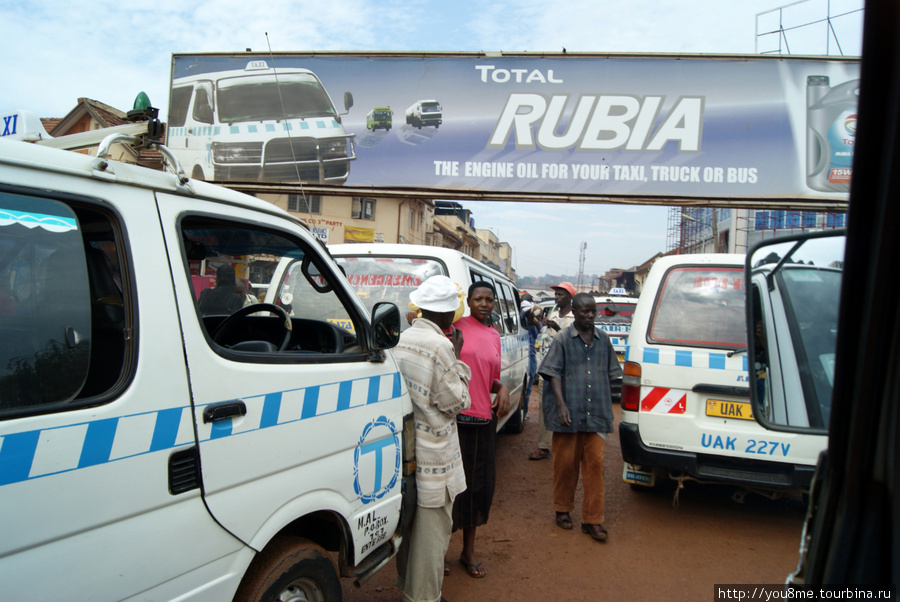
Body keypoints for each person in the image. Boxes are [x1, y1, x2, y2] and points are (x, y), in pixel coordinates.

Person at [393, 275, 472, 602]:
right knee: (431, 541)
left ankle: (407, 590)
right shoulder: (441, 346)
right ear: (445, 315)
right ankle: (424, 598)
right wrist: (459, 358)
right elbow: (458, 402)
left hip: (410, 455)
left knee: (410, 536)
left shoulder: (403, 338)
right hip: (436, 461)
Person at [538, 293, 622, 543]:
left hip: (596, 414)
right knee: (565, 464)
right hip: (569, 415)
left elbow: (611, 374)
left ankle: (593, 520)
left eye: (593, 311)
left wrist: (603, 402)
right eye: (585, 311)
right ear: (574, 311)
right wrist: (561, 405)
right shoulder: (563, 339)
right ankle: (562, 509)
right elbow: (552, 373)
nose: (590, 315)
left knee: (595, 466)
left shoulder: (603, 339)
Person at [451, 281, 510, 579]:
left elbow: (490, 379)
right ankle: (436, 552)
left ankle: (468, 551)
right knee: (449, 491)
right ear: (469, 301)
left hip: (484, 423)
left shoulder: (494, 335)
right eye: (478, 299)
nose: (484, 304)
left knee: (478, 489)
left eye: (489, 299)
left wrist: (503, 389)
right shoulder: (454, 326)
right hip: (454, 422)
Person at [528, 282, 576, 461]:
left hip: (567, 370)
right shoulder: (553, 313)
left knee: (567, 405)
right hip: (548, 367)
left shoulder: (574, 317)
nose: (557, 298)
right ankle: (544, 446)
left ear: (570, 297)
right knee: (544, 406)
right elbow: (544, 337)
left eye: (561, 295)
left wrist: (557, 329)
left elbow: (575, 341)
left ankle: (567, 447)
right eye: (556, 295)